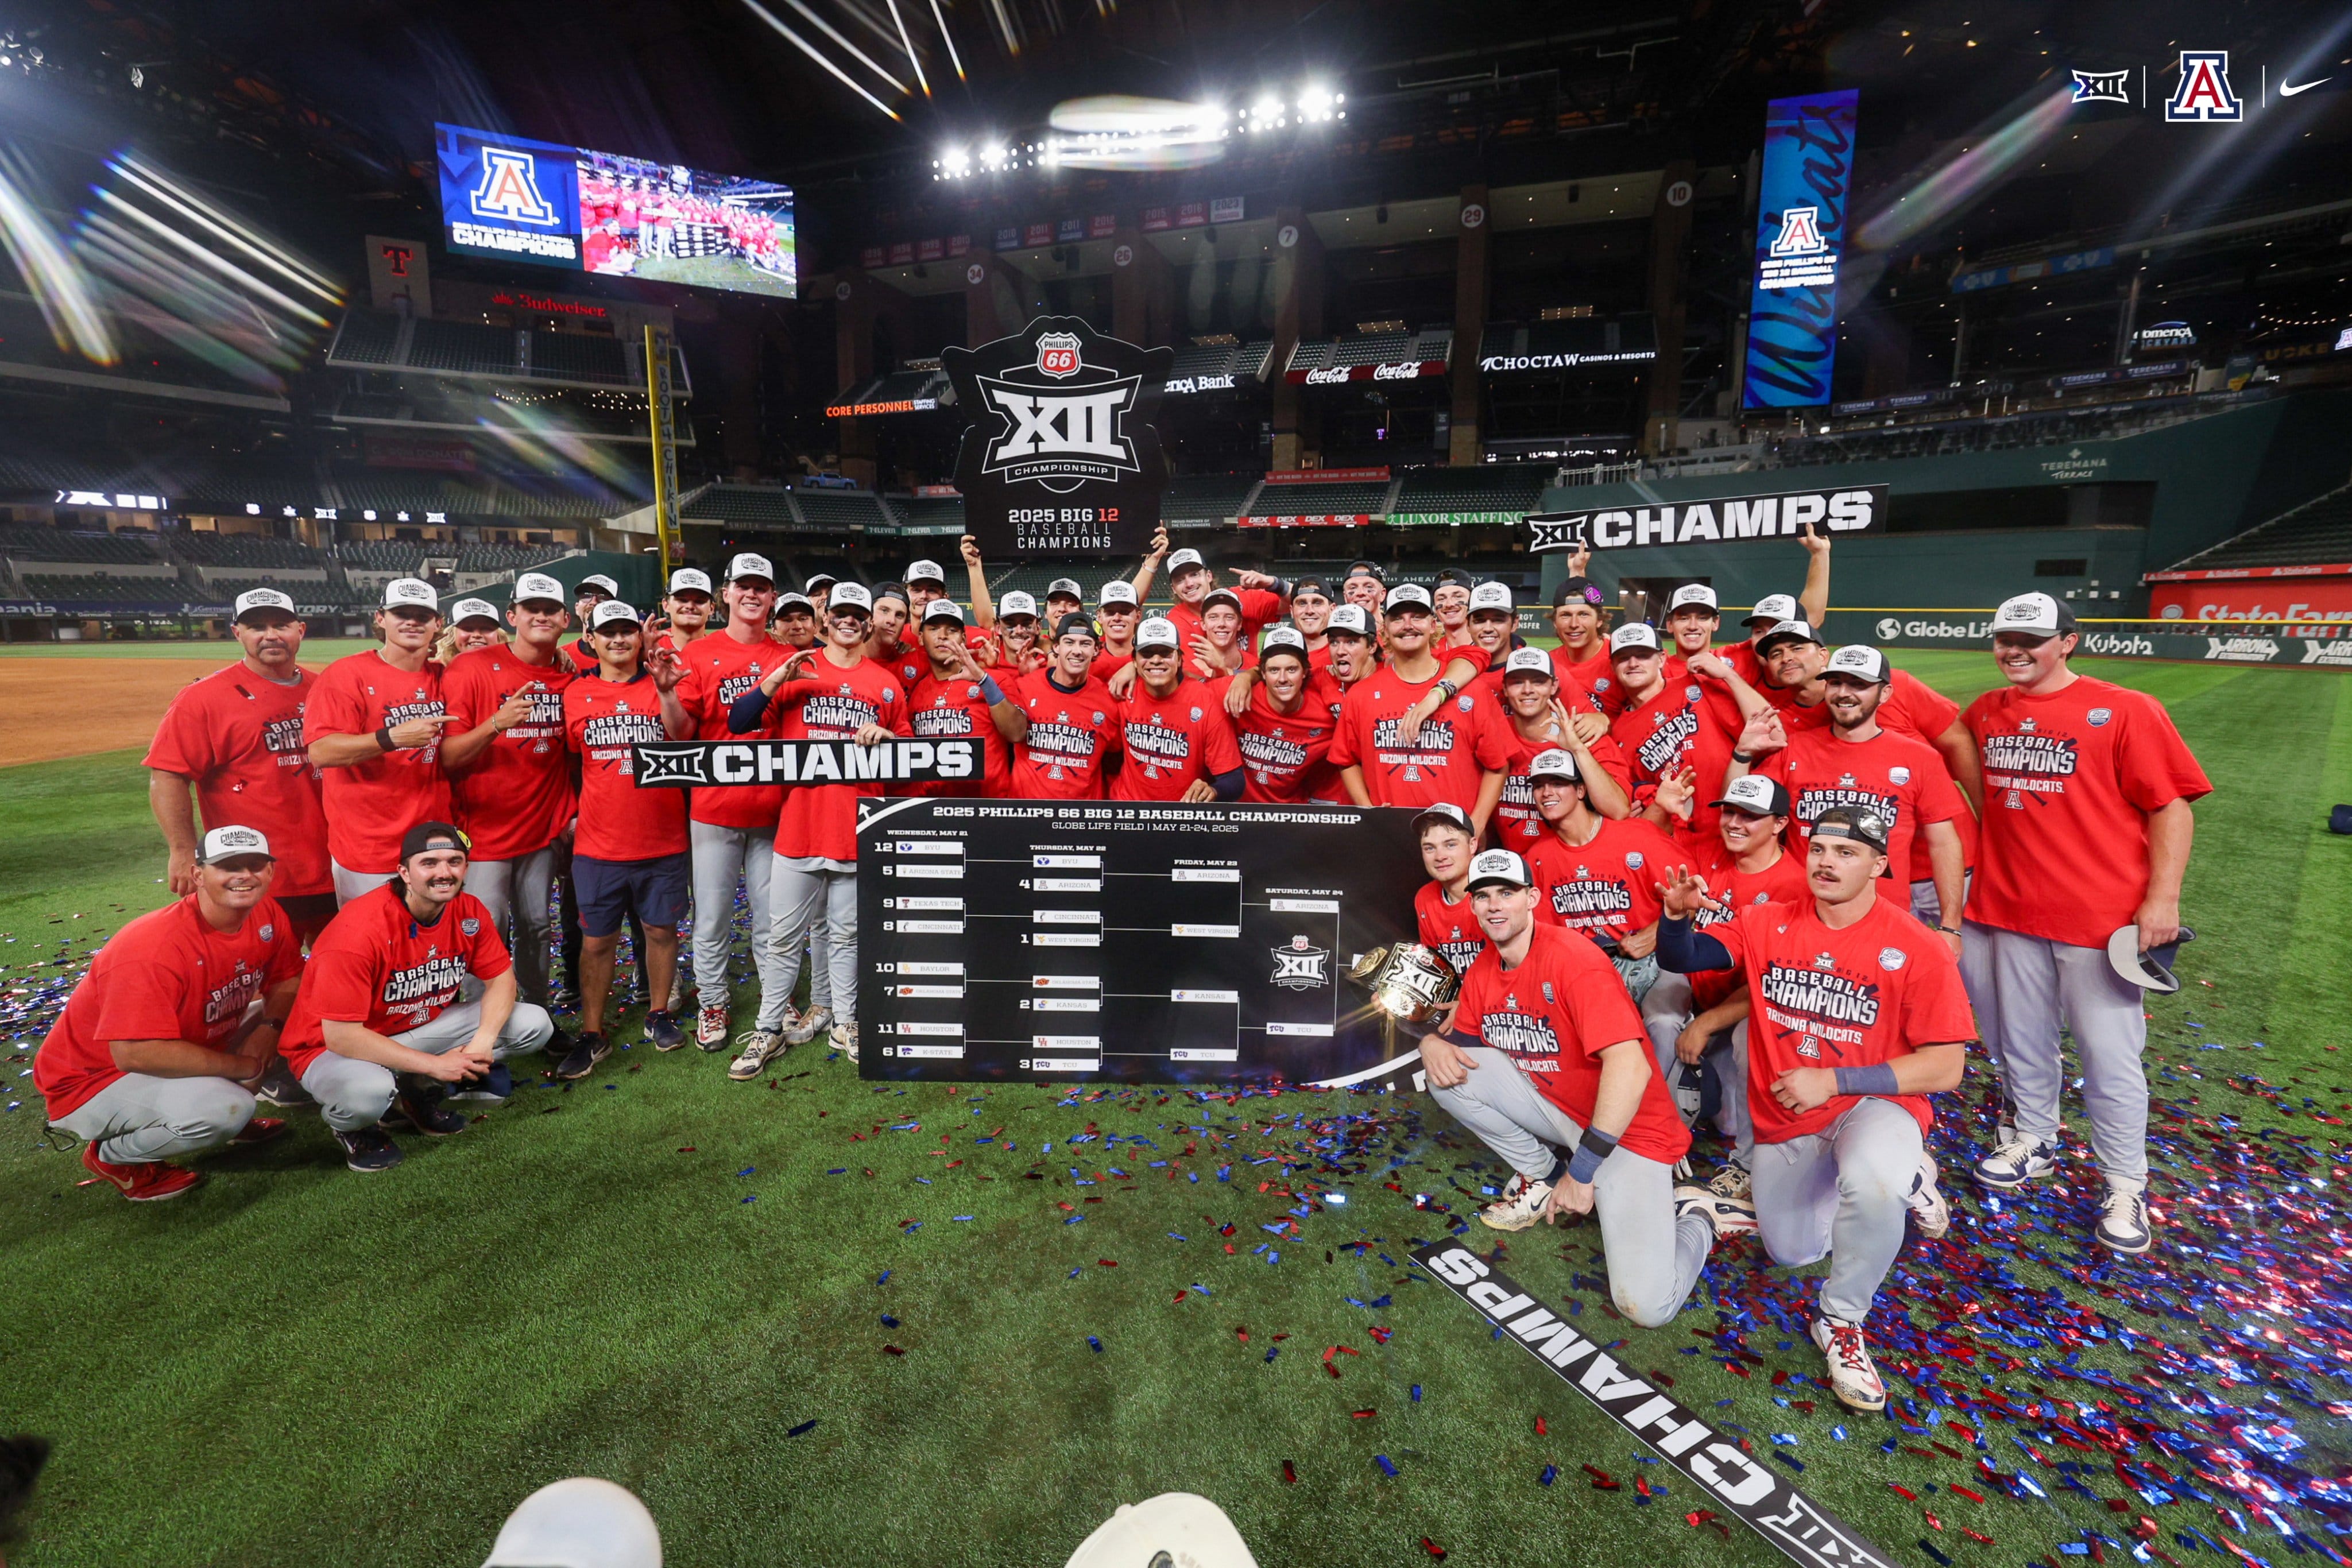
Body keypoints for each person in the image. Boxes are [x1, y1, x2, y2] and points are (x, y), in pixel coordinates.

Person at [1657, 804, 1971, 1411]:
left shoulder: (1914, 944)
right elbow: (1685, 958)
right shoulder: (1766, 919)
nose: (1827, 862)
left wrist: (1834, 1078)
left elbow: (1945, 1066)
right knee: (1792, 1250)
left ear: (1879, 864)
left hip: (1870, 1102)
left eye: (1847, 852)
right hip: (1788, 1118)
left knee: (1873, 1179)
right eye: (1821, 850)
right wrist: (1674, 917)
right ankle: (1902, 1177)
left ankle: (1842, 1322)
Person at [1958, 593, 2210, 1254]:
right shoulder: (1985, 711)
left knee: (2108, 1057)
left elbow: (2171, 807)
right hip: (2007, 909)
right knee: (2020, 1042)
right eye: (2004, 637)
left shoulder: (2125, 708)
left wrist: (2163, 899)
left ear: (2067, 641)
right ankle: (2034, 1139)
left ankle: (2125, 1181)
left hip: (2098, 921)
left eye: (2030, 638)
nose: (2013, 649)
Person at [1418, 848, 1723, 1326]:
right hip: (1563, 1112)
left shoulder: (1572, 959)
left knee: (1644, 1304)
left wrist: (1582, 1173)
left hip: (1630, 1131)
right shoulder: (1482, 970)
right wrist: (1429, 1042)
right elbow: (1463, 1048)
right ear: (1472, 907)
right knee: (1449, 1072)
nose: (1495, 905)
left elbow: (1631, 1068)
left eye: (1507, 893)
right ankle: (1540, 1175)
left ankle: (1699, 1218)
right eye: (1483, 896)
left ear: (1532, 898)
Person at [36, 826, 301, 1201]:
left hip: (183, 1040)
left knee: (303, 1013)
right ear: (198, 875)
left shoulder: (266, 912)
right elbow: (135, 1053)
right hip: (94, 1079)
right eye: (228, 866)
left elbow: (289, 978)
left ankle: (225, 1111)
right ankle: (115, 1157)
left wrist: (268, 1030)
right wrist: (244, 1067)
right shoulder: (153, 947)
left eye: (255, 864)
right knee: (226, 1108)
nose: (244, 875)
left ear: (270, 872)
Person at [284, 822, 556, 1172]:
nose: (444, 873)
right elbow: (341, 1035)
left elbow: (502, 980)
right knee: (367, 1094)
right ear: (404, 873)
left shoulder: (468, 910)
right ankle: (354, 1127)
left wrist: (481, 1045)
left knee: (532, 1023)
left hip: (409, 1027)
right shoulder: (359, 931)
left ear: (466, 868)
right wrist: (437, 1066)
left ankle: (412, 1093)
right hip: (330, 1047)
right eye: (429, 863)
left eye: (454, 861)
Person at [728, 581, 910, 1077]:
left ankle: (846, 1021)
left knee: (848, 936)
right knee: (783, 938)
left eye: (858, 614)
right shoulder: (796, 669)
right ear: (825, 617)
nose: (849, 621)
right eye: (841, 613)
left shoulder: (885, 683)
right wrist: (771, 682)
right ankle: (769, 1029)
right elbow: (739, 721)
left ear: (868, 622)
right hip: (800, 829)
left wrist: (890, 737)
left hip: (855, 829)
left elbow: (912, 757)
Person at [1728, 643, 1968, 950]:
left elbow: (1944, 843)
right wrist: (1743, 753)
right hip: (1802, 915)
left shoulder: (1919, 758)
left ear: (1885, 694)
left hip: (1885, 921)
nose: (1844, 693)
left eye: (1859, 684)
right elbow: (1739, 809)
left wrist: (1951, 926)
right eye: (1836, 683)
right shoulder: (1795, 749)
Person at [1637, 772, 1808, 1197]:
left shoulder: (1794, 888)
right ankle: (1651, 1128)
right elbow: (1641, 844)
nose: (1733, 822)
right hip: (1692, 983)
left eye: (1749, 815)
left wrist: (1707, 1022)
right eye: (1729, 811)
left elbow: (1773, 986)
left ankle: (1703, 1092)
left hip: (1746, 1006)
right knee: (1660, 1018)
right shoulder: (1708, 850)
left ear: (1780, 824)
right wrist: (1661, 808)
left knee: (1728, 1120)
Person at [145, 587, 334, 946]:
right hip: (252, 869)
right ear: (237, 633)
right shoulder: (203, 699)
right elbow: (168, 775)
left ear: (301, 630)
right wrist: (183, 851)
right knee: (261, 979)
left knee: (340, 970)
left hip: (333, 865)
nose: (270, 635)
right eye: (256, 627)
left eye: (281, 625)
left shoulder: (324, 689)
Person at [561, 600, 697, 1073]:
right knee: (597, 941)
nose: (618, 640)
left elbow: (683, 741)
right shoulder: (575, 693)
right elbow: (574, 758)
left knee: (660, 930)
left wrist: (665, 694)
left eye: (626, 632)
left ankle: (658, 1013)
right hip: (600, 843)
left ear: (640, 638)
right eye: (608, 632)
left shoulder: (662, 681)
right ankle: (593, 1031)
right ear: (592, 639)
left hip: (662, 837)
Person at [439, 572, 575, 1025]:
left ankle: (536, 1016)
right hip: (483, 833)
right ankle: (485, 1027)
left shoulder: (566, 674)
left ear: (565, 620)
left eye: (550, 609)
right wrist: (496, 724)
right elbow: (449, 758)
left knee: (537, 928)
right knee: (486, 932)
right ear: (512, 617)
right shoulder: (471, 668)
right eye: (530, 608)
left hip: (538, 832)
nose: (541, 615)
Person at [671, 555, 795, 1051]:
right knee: (713, 916)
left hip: (771, 809)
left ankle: (775, 999)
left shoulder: (787, 652)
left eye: (761, 587)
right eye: (743, 586)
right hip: (715, 806)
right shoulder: (700, 653)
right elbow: (681, 733)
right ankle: (714, 1002)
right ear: (726, 593)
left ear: (772, 598)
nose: (752, 595)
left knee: (771, 917)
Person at [304, 578, 455, 904]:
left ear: (438, 624)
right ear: (380, 618)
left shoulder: (444, 676)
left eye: (423, 615)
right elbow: (321, 751)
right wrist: (391, 738)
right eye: (402, 613)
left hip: (434, 844)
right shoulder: (346, 675)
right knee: (372, 946)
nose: (412, 622)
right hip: (368, 849)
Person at [1331, 584, 1510, 830]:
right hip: (1390, 834)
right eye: (1397, 619)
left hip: (1455, 837)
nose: (1408, 625)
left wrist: (1476, 824)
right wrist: (1369, 812)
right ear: (1384, 629)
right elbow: (1345, 759)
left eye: (1417, 617)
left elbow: (1498, 765)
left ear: (1433, 625)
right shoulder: (1361, 694)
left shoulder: (1470, 689)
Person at [1519, 747, 1690, 1001]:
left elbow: (1692, 895)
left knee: (1663, 1022)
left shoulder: (1636, 835)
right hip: (1587, 974)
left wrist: (1657, 933)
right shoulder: (1536, 858)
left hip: (1652, 962)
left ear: (1581, 790)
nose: (1547, 793)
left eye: (1558, 783)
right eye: (1539, 786)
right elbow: (1542, 938)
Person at [1606, 622, 1769, 849]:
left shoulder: (1696, 685)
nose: (1633, 664)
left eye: (1643, 656)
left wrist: (1729, 676)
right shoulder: (1619, 733)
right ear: (1613, 666)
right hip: (1681, 843)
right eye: (1623, 658)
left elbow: (1767, 728)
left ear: (1662, 659)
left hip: (1739, 827)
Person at [1492, 648, 1630, 847]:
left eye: (1538, 682)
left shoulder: (1584, 734)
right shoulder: (1494, 736)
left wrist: (1578, 750)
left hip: (1570, 867)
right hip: (1514, 865)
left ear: (1554, 685)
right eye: (1518, 682)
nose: (1528, 690)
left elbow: (1618, 810)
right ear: (1504, 688)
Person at [1113, 618, 1245, 802]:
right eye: (1147, 654)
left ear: (1180, 659)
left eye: (1166, 653)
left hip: (1181, 815)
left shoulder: (1205, 700)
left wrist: (1213, 791)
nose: (1156, 660)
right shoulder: (1123, 692)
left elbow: (1233, 778)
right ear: (1134, 661)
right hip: (1128, 811)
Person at [907, 600, 1025, 798]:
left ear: (963, 638)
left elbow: (1017, 733)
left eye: (952, 630)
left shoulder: (994, 680)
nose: (942, 636)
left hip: (987, 809)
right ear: (920, 638)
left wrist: (983, 681)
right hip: (931, 810)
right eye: (934, 629)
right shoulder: (917, 691)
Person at [1008, 613, 1124, 799]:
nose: (1077, 651)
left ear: (1096, 650)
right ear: (1056, 647)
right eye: (1069, 642)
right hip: (1028, 814)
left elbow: (1118, 755)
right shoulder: (1025, 686)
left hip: (1080, 817)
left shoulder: (1108, 701)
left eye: (1085, 644)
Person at [1227, 625, 1344, 804]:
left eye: (1291, 669)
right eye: (1274, 670)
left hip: (1292, 814)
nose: (1283, 678)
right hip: (1241, 814)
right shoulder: (1240, 694)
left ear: (1305, 672)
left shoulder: (1325, 716)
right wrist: (1244, 677)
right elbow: (1190, 693)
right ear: (1263, 673)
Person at [1411, 803, 1487, 978]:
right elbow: (1433, 969)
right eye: (1430, 848)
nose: (1440, 857)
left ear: (1472, 845)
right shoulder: (1425, 898)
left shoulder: (1493, 894)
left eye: (1450, 845)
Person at [1548, 576, 1612, 698]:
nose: (1574, 624)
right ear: (1555, 622)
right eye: (1566, 615)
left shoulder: (1622, 660)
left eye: (1583, 614)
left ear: (1599, 620)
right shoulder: (1547, 664)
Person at [566, 575, 620, 671]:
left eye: (603, 598)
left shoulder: (632, 654)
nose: (594, 602)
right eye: (586, 596)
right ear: (577, 608)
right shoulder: (562, 658)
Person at [1094, 578, 1143, 682]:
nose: (1117, 618)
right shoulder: (1088, 658)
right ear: (1099, 617)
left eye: (1125, 612)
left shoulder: (1150, 659)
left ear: (1138, 616)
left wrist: (1137, 666)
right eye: (1110, 612)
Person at [657, 567, 715, 652]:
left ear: (711, 608)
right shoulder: (649, 648)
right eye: (682, 600)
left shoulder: (721, 653)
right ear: (666, 605)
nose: (690, 606)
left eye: (700, 601)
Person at [436, 598, 506, 663]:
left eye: (486, 629)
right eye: (467, 628)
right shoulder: (437, 672)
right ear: (451, 634)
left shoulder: (511, 670)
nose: (477, 635)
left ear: (498, 635)